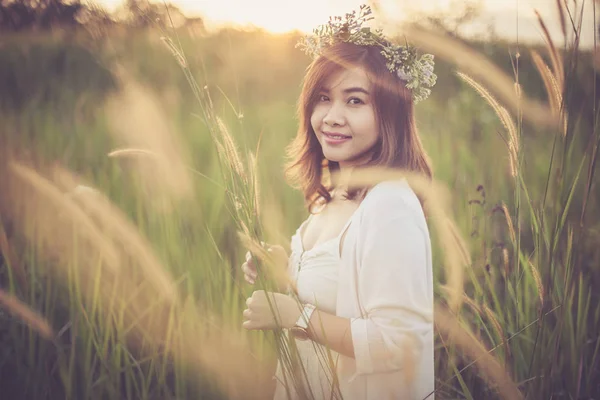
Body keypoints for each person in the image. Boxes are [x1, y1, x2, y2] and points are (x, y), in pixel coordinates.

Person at [241, 5, 436, 399]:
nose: (331, 117)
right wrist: (286, 270)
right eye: (324, 98)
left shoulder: (390, 207)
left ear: (390, 114)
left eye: (355, 101)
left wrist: (293, 315)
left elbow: (400, 345)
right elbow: (341, 295)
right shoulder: (330, 195)